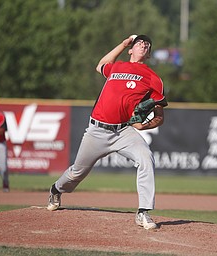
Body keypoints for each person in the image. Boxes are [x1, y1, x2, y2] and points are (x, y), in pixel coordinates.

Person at [47, 34, 168, 230]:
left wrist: (143, 126)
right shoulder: (117, 66)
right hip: (97, 130)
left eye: (147, 45)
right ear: (131, 49)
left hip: (123, 132)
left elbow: (160, 115)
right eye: (139, 43)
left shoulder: (153, 78)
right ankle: (56, 189)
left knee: (146, 157)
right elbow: (100, 65)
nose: (143, 45)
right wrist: (122, 43)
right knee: (78, 172)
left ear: (149, 54)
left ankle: (143, 212)